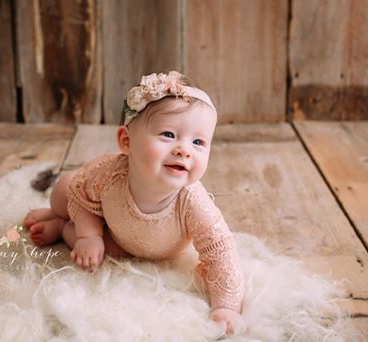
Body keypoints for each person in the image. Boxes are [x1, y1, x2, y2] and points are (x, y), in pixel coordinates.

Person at [23, 71, 244, 333]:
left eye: (198, 142)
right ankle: (59, 216)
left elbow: (220, 252)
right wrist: (88, 236)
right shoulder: (110, 176)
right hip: (109, 220)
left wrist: (226, 306)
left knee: (109, 251)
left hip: (124, 241)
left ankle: (61, 228)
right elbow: (82, 198)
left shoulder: (193, 201)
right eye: (169, 135)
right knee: (64, 190)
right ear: (126, 141)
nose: (184, 149)